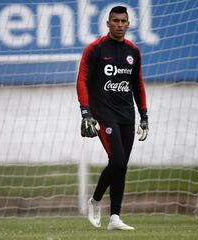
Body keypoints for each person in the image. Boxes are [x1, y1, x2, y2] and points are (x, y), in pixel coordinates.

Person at [76, 6, 148, 230]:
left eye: (123, 21)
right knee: (117, 161)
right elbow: (81, 80)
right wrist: (85, 112)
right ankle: (95, 200)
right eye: (115, 20)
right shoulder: (95, 49)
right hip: (104, 115)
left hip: (127, 115)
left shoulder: (133, 51)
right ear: (107, 23)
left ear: (128, 24)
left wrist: (144, 114)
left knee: (121, 165)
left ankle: (115, 217)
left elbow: (138, 85)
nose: (119, 24)